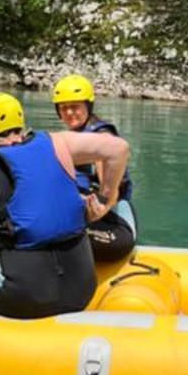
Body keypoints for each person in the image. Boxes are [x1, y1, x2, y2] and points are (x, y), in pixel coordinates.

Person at [0, 92, 132, 319]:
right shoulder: (59, 143)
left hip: (25, 300)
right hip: (82, 292)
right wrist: (105, 199)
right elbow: (119, 149)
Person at [52, 72, 138, 265]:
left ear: (88, 106)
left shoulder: (102, 138)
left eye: (75, 107)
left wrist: (95, 211)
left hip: (114, 228)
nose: (69, 113)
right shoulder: (72, 139)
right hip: (87, 221)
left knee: (54, 234)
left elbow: (111, 193)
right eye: (63, 108)